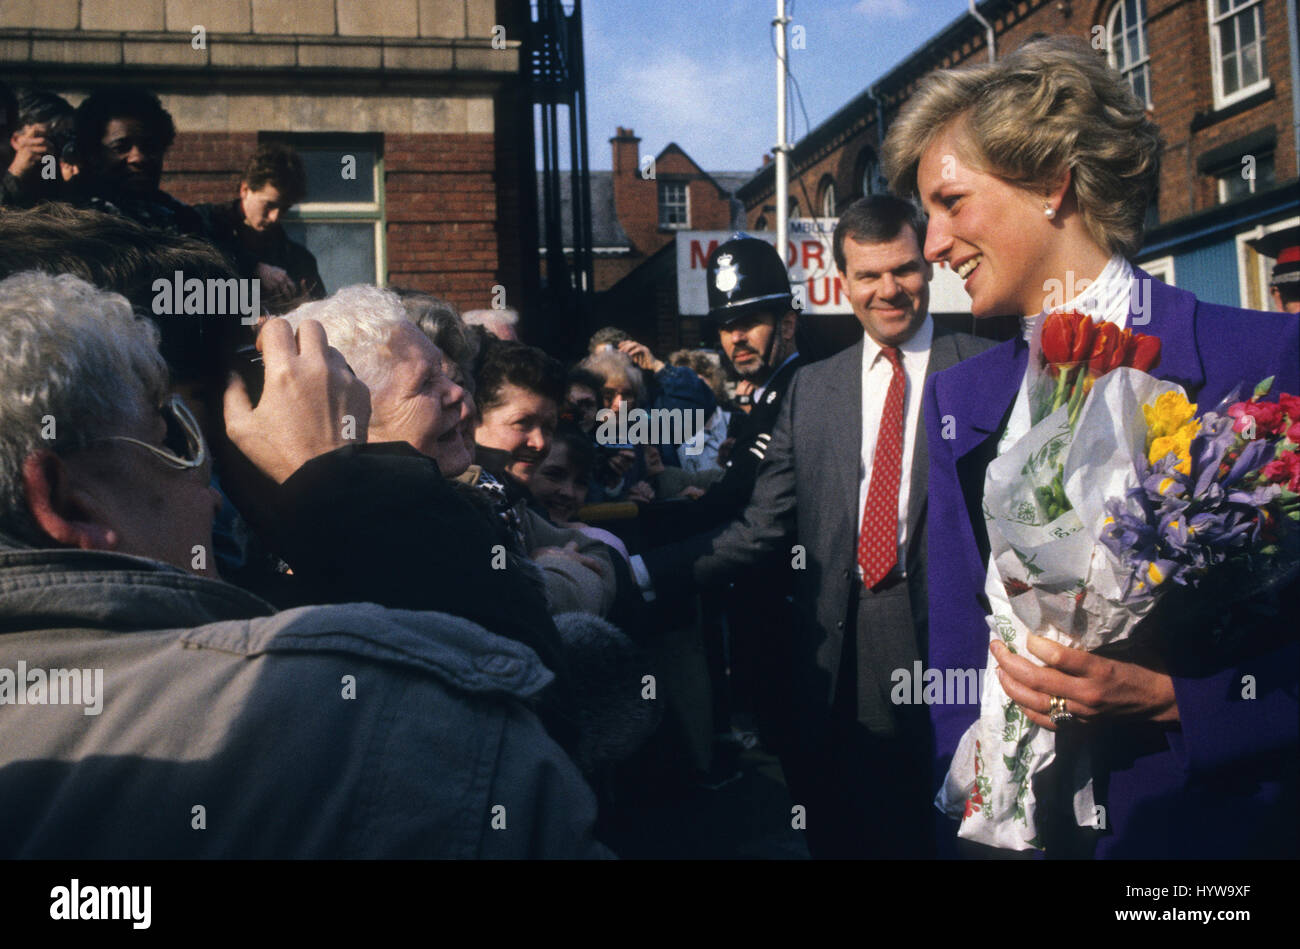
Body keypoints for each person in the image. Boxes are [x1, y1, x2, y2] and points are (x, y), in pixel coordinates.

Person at [0, 270, 609, 858]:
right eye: (175, 439)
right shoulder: (315, 708)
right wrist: (337, 486)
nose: (212, 489)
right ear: (62, 500)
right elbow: (529, 760)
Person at [884, 35, 1299, 857]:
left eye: (951, 202)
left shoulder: (1266, 361)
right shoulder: (960, 400)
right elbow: (956, 654)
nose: (930, 245)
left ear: (1051, 183)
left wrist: (1177, 699)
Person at [638, 196, 996, 857]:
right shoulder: (815, 390)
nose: (888, 289)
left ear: (927, 266)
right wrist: (635, 573)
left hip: (955, 654)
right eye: (868, 275)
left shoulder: (986, 366)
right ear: (844, 282)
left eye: (905, 269)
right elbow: (761, 525)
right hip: (835, 660)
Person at [195, 143, 325, 311]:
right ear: (245, 190)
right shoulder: (203, 223)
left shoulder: (299, 260)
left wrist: (307, 309)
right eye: (268, 205)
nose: (275, 217)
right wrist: (254, 268)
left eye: (284, 208)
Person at [68, 85, 205, 236]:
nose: (138, 158)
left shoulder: (183, 219)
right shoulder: (71, 220)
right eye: (121, 148)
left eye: (150, 147)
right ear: (91, 154)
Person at [3, 87, 73, 207]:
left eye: (65, 136)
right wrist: (15, 174)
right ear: (17, 139)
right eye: (48, 136)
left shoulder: (50, 164)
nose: (55, 146)